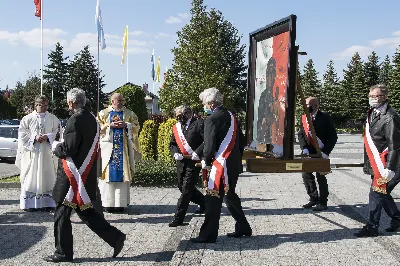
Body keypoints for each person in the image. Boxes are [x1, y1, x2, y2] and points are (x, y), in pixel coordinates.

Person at [44, 88, 125, 263]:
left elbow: (69, 149)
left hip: (71, 178)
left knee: (61, 215)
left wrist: (55, 145)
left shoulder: (75, 120)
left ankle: (62, 253)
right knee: (87, 213)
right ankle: (116, 238)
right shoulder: (92, 119)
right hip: (85, 175)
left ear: (71, 102)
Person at [190, 88, 252, 243]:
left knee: (212, 199)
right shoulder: (232, 116)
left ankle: (207, 235)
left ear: (211, 104)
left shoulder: (211, 119)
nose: (203, 106)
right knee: (230, 196)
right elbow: (241, 140)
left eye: (204, 103)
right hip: (233, 164)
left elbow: (210, 145)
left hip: (221, 166)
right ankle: (244, 227)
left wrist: (206, 159)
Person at [355, 84, 400, 237]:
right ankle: (396, 217)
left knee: (376, 193)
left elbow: (395, 145)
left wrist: (390, 168)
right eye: (371, 96)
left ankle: (372, 227)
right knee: (382, 193)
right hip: (378, 164)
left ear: (385, 97)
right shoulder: (372, 113)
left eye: (377, 96)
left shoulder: (391, 117)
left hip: (389, 165)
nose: (373, 99)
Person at [97, 93, 141, 213]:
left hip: (123, 150)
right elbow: (97, 128)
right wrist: (109, 126)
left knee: (122, 176)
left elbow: (137, 127)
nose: (121, 102)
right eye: (118, 100)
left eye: (122, 100)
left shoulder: (129, 113)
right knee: (106, 177)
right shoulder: (103, 113)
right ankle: (107, 203)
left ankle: (120, 203)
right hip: (107, 150)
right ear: (112, 101)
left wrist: (126, 125)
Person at [16, 95, 60, 211]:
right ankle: (30, 204)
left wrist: (48, 136)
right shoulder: (27, 118)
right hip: (33, 154)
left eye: (46, 105)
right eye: (42, 105)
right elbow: (22, 134)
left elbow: (58, 132)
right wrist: (34, 137)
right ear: (36, 105)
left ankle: (48, 204)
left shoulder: (53, 118)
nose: (45, 107)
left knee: (48, 176)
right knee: (31, 176)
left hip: (47, 153)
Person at [298, 96, 338, 211]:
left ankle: (323, 201)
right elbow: (301, 134)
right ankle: (313, 197)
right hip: (308, 152)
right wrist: (304, 148)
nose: (306, 107)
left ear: (315, 105)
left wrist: (325, 152)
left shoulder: (325, 117)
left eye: (308, 105)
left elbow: (333, 136)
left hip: (321, 151)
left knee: (321, 176)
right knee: (306, 174)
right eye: (305, 105)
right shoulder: (304, 117)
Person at [168, 105, 206, 227]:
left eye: (181, 115)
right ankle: (205, 203)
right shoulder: (177, 127)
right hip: (181, 162)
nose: (179, 118)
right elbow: (172, 143)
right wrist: (175, 153)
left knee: (186, 190)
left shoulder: (199, 123)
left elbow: (207, 141)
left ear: (188, 113)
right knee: (181, 186)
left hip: (194, 161)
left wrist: (198, 152)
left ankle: (178, 218)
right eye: (177, 116)